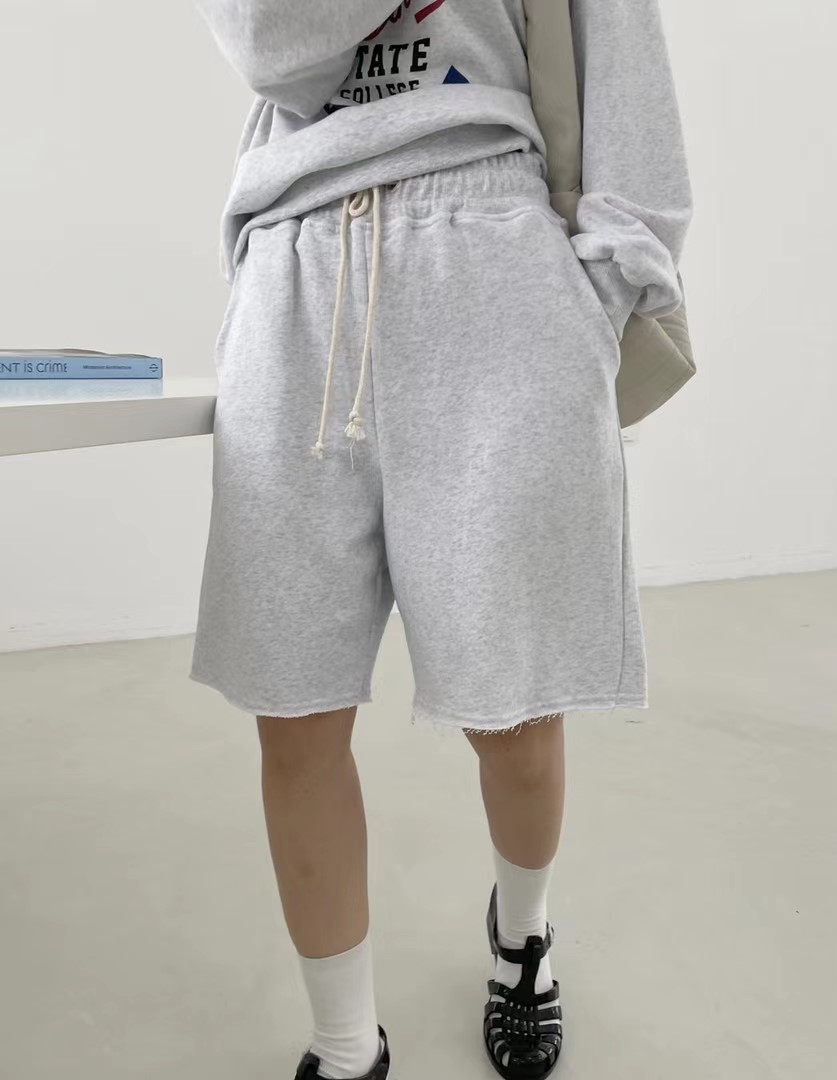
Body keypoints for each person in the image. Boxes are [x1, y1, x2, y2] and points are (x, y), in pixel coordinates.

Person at [190, 0, 692, 1076]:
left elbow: (628, 81)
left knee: (516, 711)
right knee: (294, 711)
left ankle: (523, 936)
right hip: (296, 267)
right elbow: (264, 43)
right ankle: (342, 1047)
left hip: (494, 262)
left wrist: (591, 303)